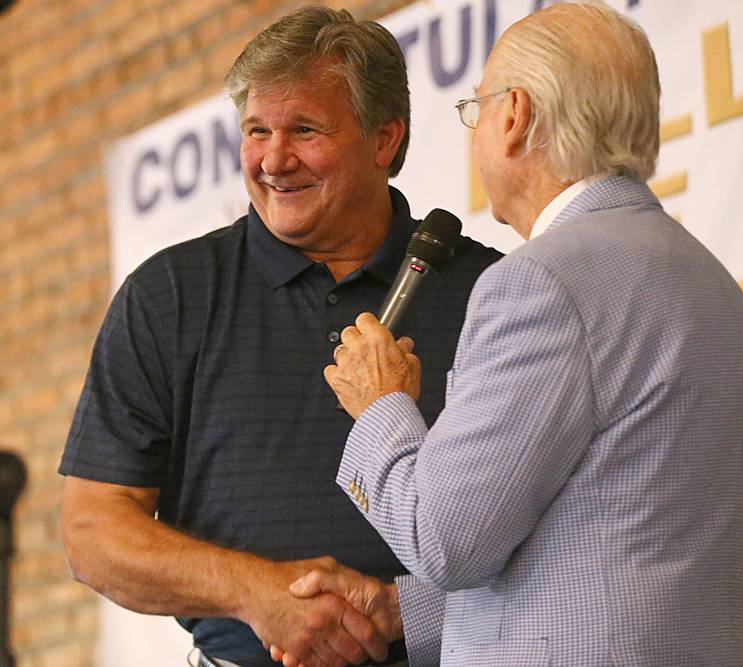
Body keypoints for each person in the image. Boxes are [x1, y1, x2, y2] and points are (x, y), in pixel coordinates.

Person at [286, 2, 743, 666]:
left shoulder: (541, 281)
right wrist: (403, 609)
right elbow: (608, 532)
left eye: (476, 108)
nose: (475, 129)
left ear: (513, 115)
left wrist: (380, 404)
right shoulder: (715, 285)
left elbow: (446, 540)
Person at [58, 6, 500, 667]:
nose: (272, 158)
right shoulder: (169, 295)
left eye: (304, 130)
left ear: (384, 141)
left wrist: (402, 605)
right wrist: (254, 591)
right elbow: (92, 529)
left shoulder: (491, 293)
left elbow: (557, 529)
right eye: (256, 130)